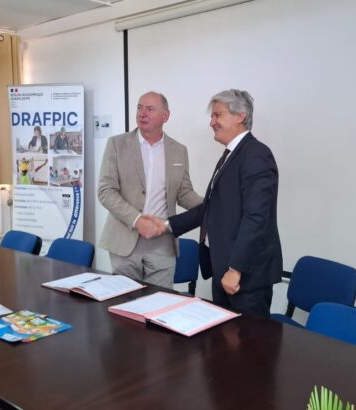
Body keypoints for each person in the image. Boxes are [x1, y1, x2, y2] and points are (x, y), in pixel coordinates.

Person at [152, 89, 282, 316]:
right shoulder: (231, 154)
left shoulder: (256, 155)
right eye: (212, 116)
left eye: (217, 115)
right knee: (224, 335)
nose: (212, 122)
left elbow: (256, 217)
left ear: (240, 116)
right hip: (223, 268)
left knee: (248, 338)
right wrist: (166, 225)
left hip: (244, 276)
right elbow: (212, 208)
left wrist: (236, 269)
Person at [98, 91, 202, 288]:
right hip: (125, 238)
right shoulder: (117, 144)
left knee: (160, 300)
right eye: (139, 107)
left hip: (162, 242)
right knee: (125, 300)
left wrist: (211, 205)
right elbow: (106, 191)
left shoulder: (179, 150)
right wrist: (137, 220)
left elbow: (183, 192)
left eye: (150, 109)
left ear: (165, 116)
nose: (142, 113)